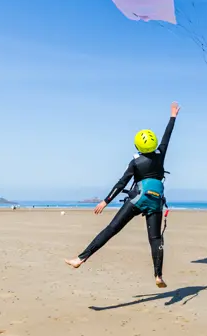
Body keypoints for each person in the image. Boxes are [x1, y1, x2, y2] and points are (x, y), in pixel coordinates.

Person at [65, 102, 180, 288]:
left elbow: (121, 183)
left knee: (112, 229)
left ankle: (80, 258)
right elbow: (168, 136)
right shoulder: (161, 154)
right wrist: (173, 116)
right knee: (155, 238)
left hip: (137, 200)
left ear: (138, 145)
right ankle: (158, 275)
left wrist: (106, 200)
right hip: (156, 202)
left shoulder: (136, 163)